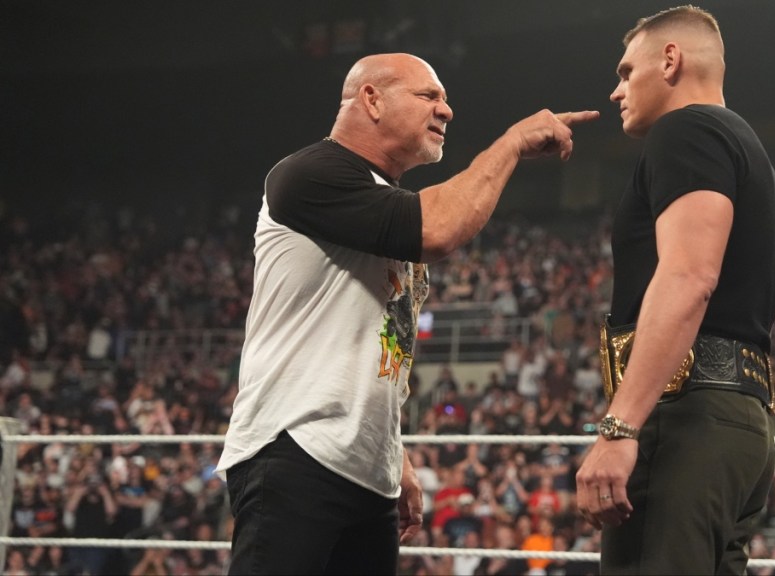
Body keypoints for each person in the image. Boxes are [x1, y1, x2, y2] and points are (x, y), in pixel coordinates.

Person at [216, 52, 597, 575]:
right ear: (371, 99)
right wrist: (511, 143)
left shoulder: (380, 198)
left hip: (367, 468)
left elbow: (377, 343)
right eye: (428, 95)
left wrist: (395, 452)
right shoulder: (309, 174)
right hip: (295, 449)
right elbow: (437, 230)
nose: (447, 110)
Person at [574, 5, 775, 574]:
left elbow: (690, 276)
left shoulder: (686, 130)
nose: (617, 90)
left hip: (685, 420)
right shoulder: (750, 152)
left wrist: (619, 427)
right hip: (738, 420)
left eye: (627, 72)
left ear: (670, 60)